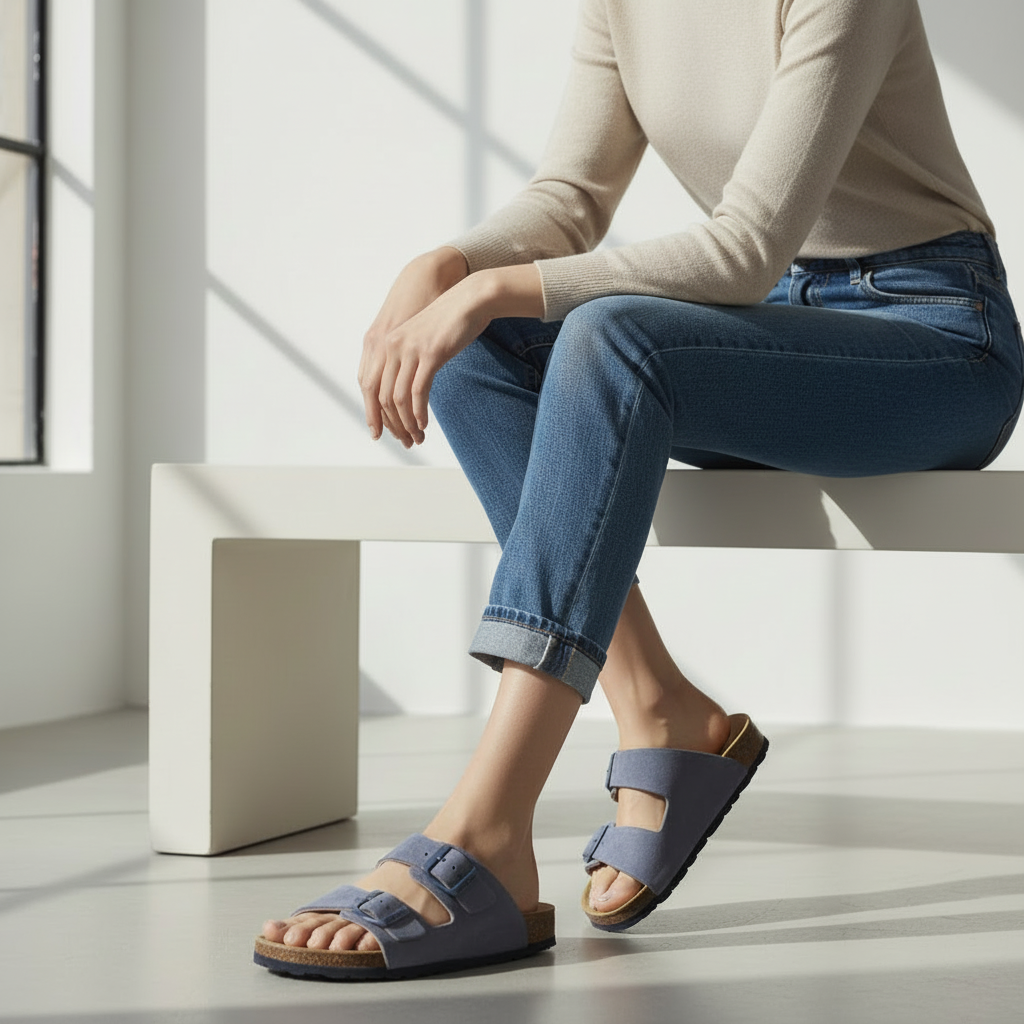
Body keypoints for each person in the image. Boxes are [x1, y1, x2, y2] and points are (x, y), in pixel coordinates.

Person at [254, 0, 1023, 980]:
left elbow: (744, 248)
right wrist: (445, 267)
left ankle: (488, 822)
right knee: (475, 349)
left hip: (933, 343)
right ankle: (655, 705)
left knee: (598, 332)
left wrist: (489, 287)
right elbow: (570, 195)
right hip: (775, 333)